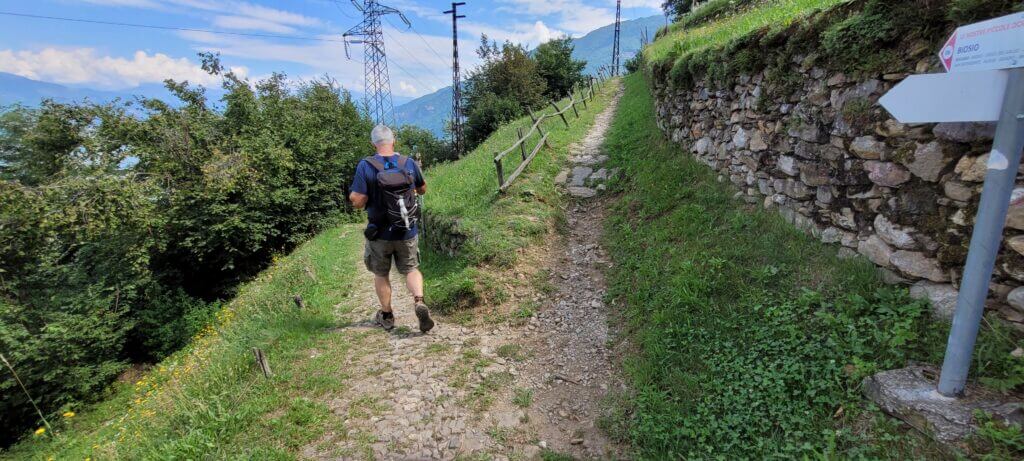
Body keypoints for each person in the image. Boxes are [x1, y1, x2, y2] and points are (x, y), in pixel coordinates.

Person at [349, 124, 434, 333]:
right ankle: (419, 301)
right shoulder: (409, 163)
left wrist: (356, 197)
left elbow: (358, 201)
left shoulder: (365, 166)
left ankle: (387, 315)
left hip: (379, 233)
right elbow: (422, 189)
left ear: (373, 143)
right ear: (393, 141)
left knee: (381, 273)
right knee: (411, 269)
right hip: (406, 229)